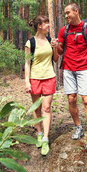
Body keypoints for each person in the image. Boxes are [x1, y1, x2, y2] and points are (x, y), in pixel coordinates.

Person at [57, 2, 87, 151]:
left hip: (84, 69)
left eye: (68, 12)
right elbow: (60, 51)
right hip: (68, 69)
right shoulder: (63, 30)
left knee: (86, 99)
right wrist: (56, 45)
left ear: (76, 11)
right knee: (71, 99)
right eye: (65, 13)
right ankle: (78, 127)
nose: (66, 15)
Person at [24, 15, 59, 156]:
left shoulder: (50, 40)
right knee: (36, 108)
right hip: (35, 78)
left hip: (49, 77)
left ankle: (45, 138)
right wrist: (27, 81)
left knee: (47, 107)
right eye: (46, 23)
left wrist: (55, 48)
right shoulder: (30, 43)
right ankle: (39, 133)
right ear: (39, 25)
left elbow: (55, 59)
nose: (48, 25)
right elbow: (27, 63)